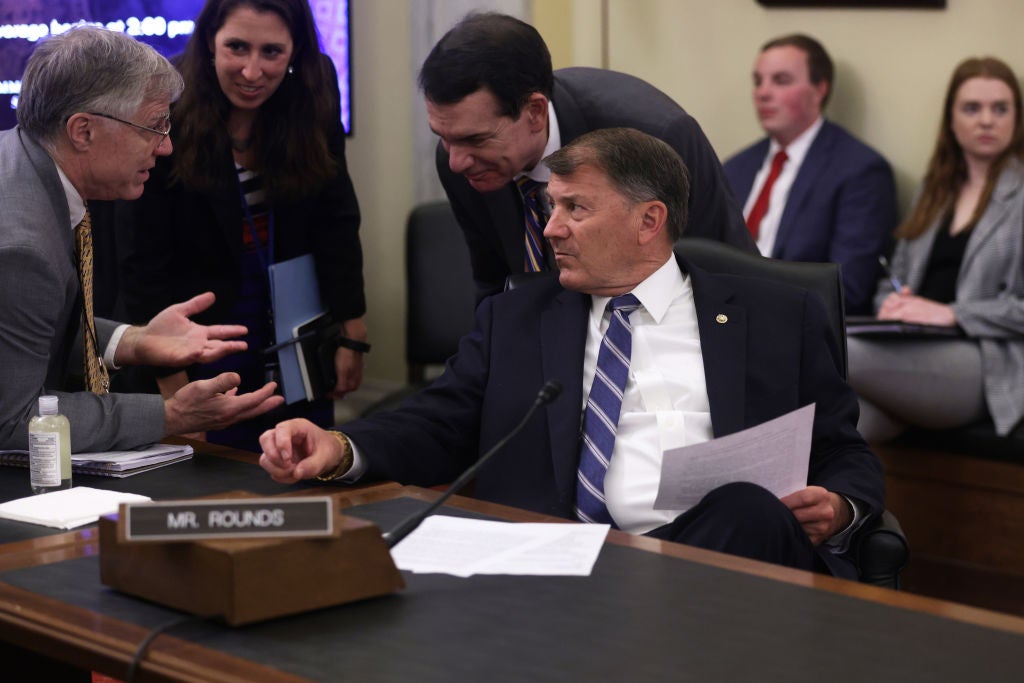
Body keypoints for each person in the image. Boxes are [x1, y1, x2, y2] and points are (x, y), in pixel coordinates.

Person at [259, 127, 884, 580]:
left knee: (747, 510)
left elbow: (840, 449)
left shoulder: (775, 317)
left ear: (649, 220)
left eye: (574, 208)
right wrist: (338, 446)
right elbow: (437, 421)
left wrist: (840, 505)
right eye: (549, 207)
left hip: (707, 559)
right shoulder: (514, 318)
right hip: (553, 561)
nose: (551, 228)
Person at [0, 26, 283, 452]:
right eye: (154, 126)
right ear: (83, 131)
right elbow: (15, 422)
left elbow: (22, 333)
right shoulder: (24, 247)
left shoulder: (18, 159)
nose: (166, 146)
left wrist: (133, 341)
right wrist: (172, 415)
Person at [118, 0, 367, 453]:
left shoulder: (316, 88)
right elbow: (142, 264)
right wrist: (175, 397)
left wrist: (352, 333)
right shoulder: (163, 105)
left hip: (296, 322)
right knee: (214, 477)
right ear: (210, 42)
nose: (252, 72)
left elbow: (338, 218)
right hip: (198, 328)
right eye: (237, 47)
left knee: (301, 462)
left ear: (295, 51)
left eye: (271, 51)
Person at [420, 11, 754, 302]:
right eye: (445, 138)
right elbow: (494, 288)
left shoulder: (658, 138)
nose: (456, 162)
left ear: (535, 112)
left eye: (476, 139)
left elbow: (730, 279)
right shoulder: (461, 160)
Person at [848, 57, 1024, 442]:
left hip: (987, 360)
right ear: (951, 119)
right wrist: (891, 305)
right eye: (972, 108)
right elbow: (891, 276)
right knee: (833, 429)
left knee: (839, 351)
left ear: (1017, 117)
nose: (987, 120)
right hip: (913, 346)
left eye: (1000, 109)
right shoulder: (936, 189)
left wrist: (950, 314)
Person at [723, 34, 897, 315]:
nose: (762, 92)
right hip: (719, 317)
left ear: (820, 89)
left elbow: (847, 288)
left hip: (793, 324)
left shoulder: (860, 171)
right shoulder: (735, 167)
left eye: (781, 81)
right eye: (758, 81)